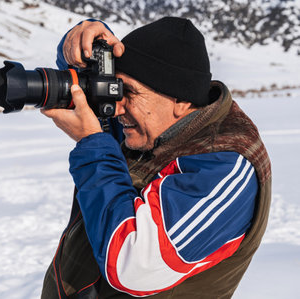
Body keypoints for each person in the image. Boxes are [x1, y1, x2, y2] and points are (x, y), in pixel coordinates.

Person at [40, 17, 271, 298]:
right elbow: (81, 82)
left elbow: (133, 265)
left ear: (181, 100)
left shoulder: (223, 167)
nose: (114, 107)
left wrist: (92, 144)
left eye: (128, 92)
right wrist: (86, 40)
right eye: (114, 89)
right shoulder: (148, 126)